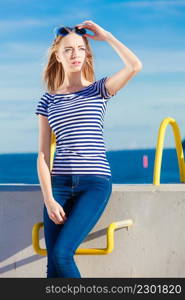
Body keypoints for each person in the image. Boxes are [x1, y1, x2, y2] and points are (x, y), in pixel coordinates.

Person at [35, 20, 142, 278]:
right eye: (68, 50)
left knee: (62, 253)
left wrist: (107, 36)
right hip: (58, 185)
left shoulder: (98, 90)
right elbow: (43, 154)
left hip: (93, 184)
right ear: (57, 56)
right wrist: (49, 198)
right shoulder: (48, 100)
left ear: (87, 53)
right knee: (53, 264)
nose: (75, 54)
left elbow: (134, 66)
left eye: (81, 49)